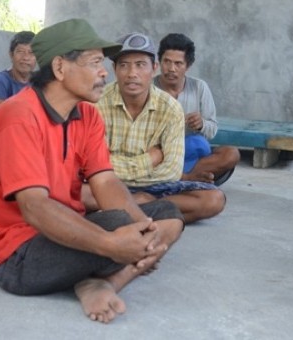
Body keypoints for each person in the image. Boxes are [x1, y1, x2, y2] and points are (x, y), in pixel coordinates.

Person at [0, 19, 184, 324]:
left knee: (165, 215)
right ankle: (106, 270)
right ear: (59, 68)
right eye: (95, 62)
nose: (104, 72)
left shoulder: (87, 115)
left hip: (66, 228)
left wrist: (143, 230)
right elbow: (35, 208)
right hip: (18, 256)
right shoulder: (18, 116)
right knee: (121, 227)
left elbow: (106, 181)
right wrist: (110, 244)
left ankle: (104, 283)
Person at [96, 32, 226, 224]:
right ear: (114, 69)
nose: (132, 73)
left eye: (140, 65)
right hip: (108, 185)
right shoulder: (97, 103)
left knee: (213, 200)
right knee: (73, 191)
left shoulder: (170, 108)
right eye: (124, 65)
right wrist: (150, 159)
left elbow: (171, 172)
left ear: (153, 68)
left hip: (153, 187)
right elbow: (93, 166)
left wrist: (140, 190)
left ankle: (126, 209)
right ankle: (148, 210)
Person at [154, 33, 239, 185]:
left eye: (178, 64)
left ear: (188, 66)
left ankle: (183, 178)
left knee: (230, 154)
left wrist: (201, 125)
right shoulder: (149, 89)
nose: (171, 69)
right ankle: (189, 179)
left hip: (191, 155)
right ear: (159, 62)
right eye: (167, 62)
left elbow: (212, 129)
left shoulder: (199, 87)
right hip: (160, 154)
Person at [0, 30, 36, 120]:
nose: (26, 57)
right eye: (20, 52)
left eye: (31, 53)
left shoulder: (41, 82)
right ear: (11, 55)